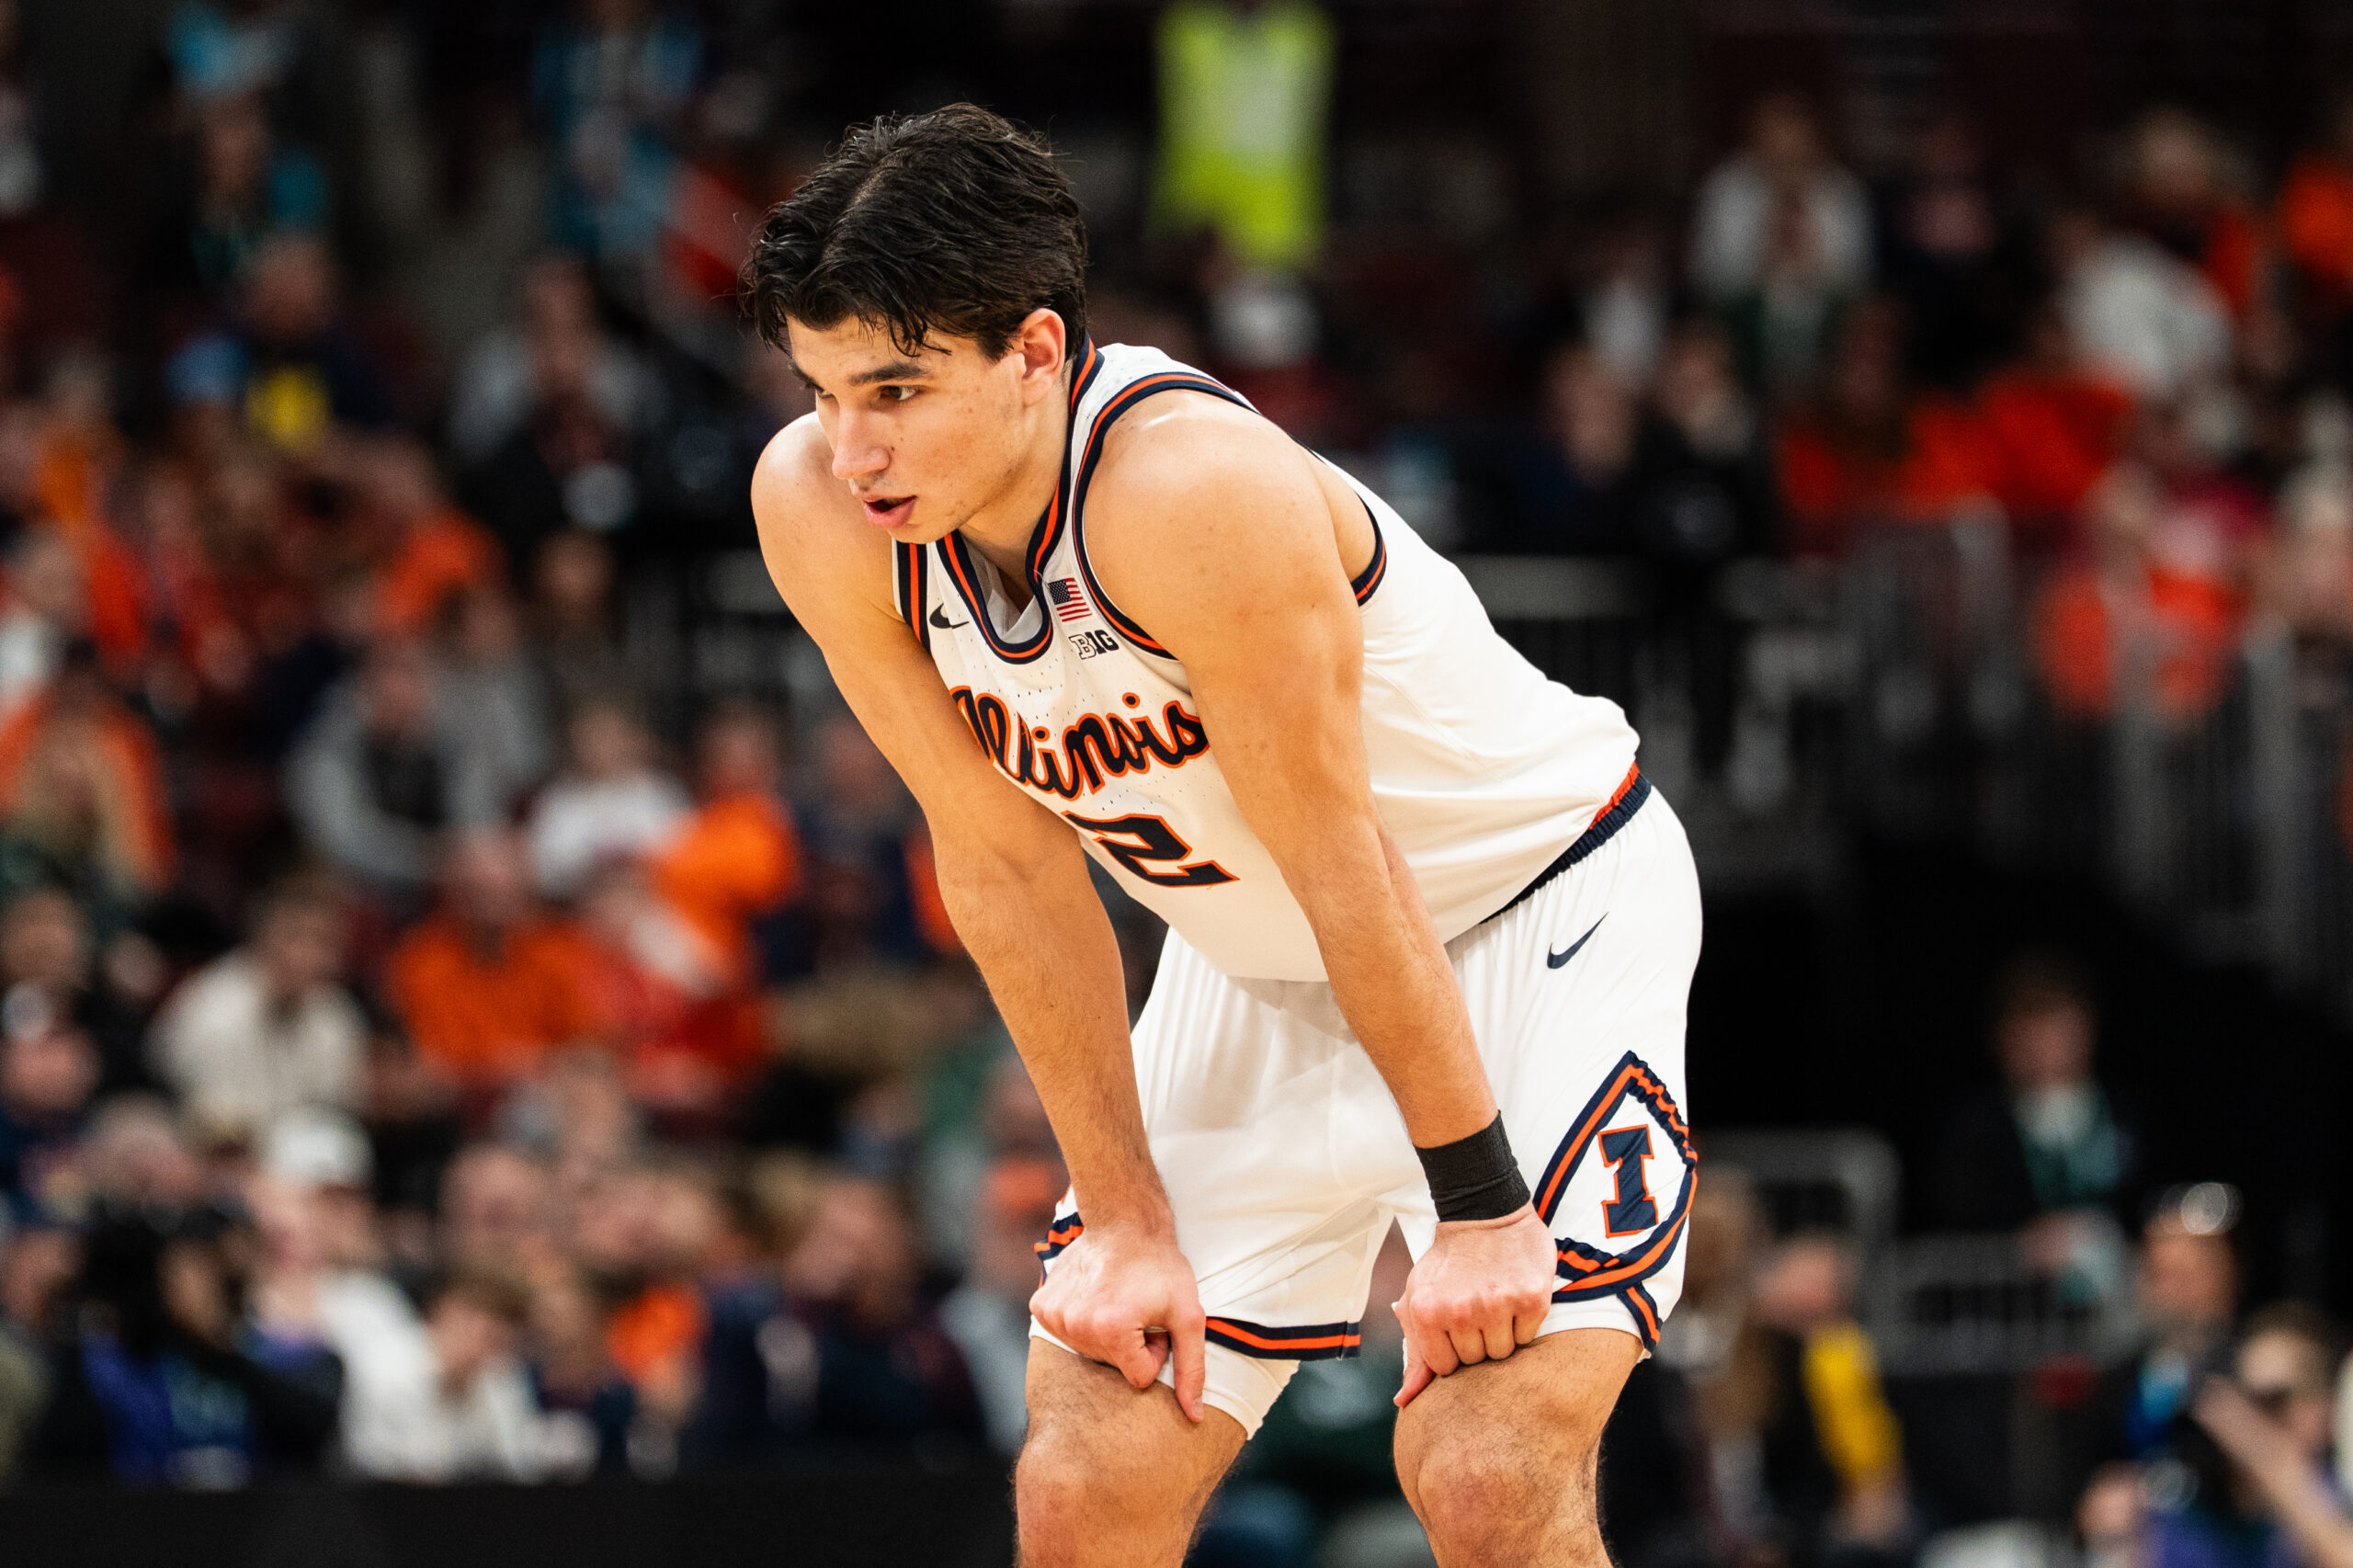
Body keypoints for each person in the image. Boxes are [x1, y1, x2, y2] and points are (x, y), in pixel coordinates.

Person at [743, 106, 1702, 1564]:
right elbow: (1003, 861)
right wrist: (1123, 1216)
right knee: (1086, 1479)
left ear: (1038, 353)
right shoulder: (816, 507)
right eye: (820, 392)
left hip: (1527, 919)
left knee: (1487, 1465)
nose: (852, 446)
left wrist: (1484, 1211)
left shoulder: (1189, 491)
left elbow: (1347, 861)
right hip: (1256, 955)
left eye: (895, 388)